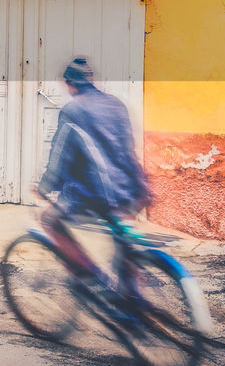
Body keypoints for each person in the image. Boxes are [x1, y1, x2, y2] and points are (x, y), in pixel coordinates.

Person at [36, 57, 150, 297]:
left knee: (50, 220)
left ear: (70, 84)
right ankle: (132, 300)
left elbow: (61, 154)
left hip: (97, 194)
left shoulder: (74, 110)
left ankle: (89, 275)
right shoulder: (116, 105)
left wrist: (45, 188)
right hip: (131, 188)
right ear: (92, 80)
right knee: (121, 236)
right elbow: (127, 147)